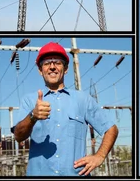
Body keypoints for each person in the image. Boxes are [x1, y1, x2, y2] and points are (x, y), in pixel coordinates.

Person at [12, 42, 119, 176]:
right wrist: (33, 116)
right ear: (40, 70)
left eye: (57, 62)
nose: (52, 67)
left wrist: (99, 156)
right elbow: (18, 136)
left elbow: (111, 129)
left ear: (66, 68)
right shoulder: (29, 101)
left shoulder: (83, 100)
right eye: (46, 63)